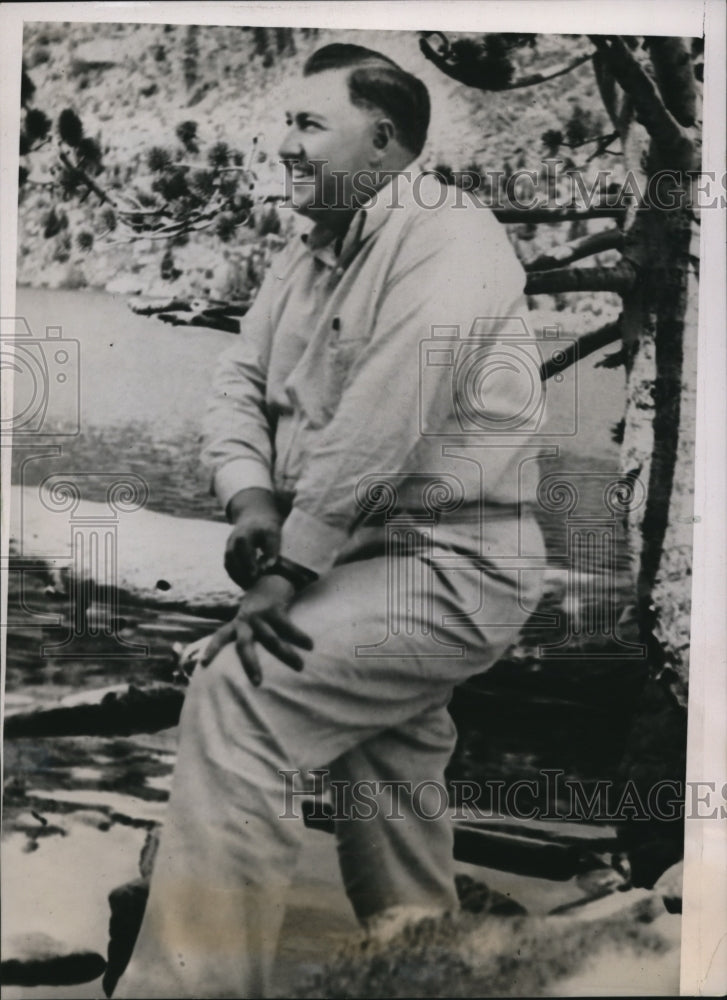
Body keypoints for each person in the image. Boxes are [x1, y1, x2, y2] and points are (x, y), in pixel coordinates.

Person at [117, 43, 546, 998]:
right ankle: (427, 973)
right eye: (285, 125)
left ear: (384, 140)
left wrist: (286, 569)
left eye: (308, 125)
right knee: (388, 779)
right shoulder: (306, 251)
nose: (284, 147)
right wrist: (250, 495)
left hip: (452, 565)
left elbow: (386, 412)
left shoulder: (450, 236)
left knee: (244, 686)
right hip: (360, 566)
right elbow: (236, 381)